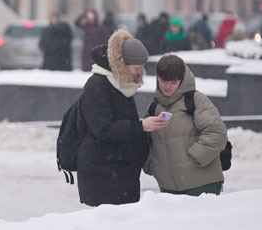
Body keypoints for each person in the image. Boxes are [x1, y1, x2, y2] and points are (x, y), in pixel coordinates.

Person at [76, 29, 168, 206]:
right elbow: (103, 130)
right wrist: (141, 127)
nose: (140, 73)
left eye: (142, 68)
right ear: (121, 65)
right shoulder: (98, 86)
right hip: (103, 176)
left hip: (121, 173)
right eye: (136, 68)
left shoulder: (121, 85)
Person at [143, 54, 228, 196]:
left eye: (173, 82)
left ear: (182, 80)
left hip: (202, 186)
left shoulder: (196, 100)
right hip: (168, 189)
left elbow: (216, 133)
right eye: (164, 81)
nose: (168, 86)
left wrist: (193, 159)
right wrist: (152, 165)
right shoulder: (153, 108)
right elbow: (146, 142)